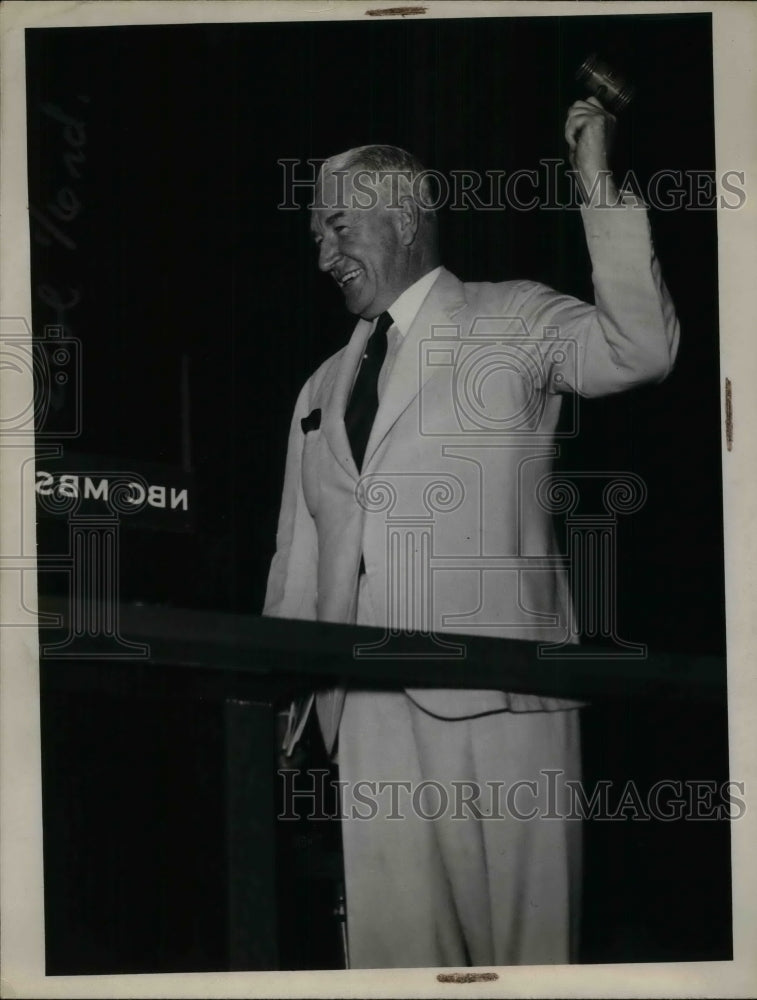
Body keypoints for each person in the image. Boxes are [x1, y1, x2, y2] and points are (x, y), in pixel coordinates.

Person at [264, 98, 679, 968]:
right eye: (311, 236)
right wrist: (291, 713)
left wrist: (595, 178)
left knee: (526, 962)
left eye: (338, 225)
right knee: (392, 966)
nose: (322, 253)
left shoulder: (512, 317)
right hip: (364, 716)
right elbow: (296, 559)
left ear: (405, 216)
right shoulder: (317, 387)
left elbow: (639, 348)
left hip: (501, 691)